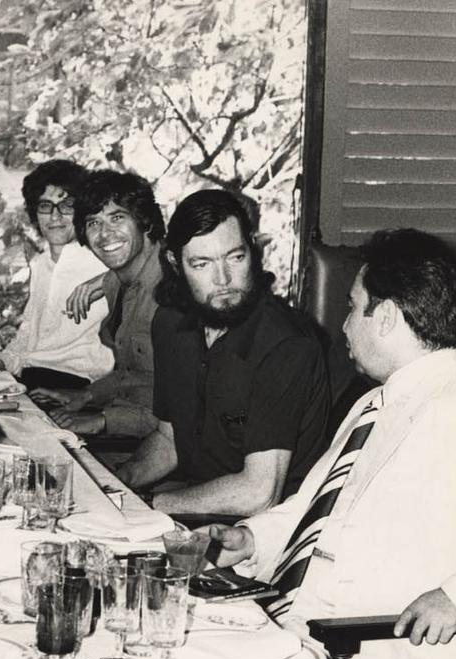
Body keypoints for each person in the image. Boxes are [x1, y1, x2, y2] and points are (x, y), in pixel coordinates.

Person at [209, 228, 456, 659]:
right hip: (305, 633)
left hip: (381, 657)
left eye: (352, 308)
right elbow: (314, 511)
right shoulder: (373, 404)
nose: (343, 327)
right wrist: (251, 538)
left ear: (386, 316)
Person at [116, 189, 328, 515]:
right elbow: (170, 441)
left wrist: (149, 505)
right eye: (202, 264)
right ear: (175, 264)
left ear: (254, 251)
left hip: (263, 534)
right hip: (195, 511)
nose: (223, 279)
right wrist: (119, 482)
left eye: (235, 257)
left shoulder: (286, 344)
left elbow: (260, 493)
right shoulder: (171, 325)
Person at [29, 170, 164, 437]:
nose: (105, 234)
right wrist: (86, 396)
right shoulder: (115, 284)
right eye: (93, 223)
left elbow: (181, 408)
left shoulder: (170, 292)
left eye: (117, 218)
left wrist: (102, 421)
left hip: (154, 444)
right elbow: (133, 375)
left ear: (144, 221)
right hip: (122, 419)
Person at [0, 160, 113, 390]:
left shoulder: (102, 265)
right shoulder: (41, 265)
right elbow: (27, 337)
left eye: (66, 205)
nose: (55, 217)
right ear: (35, 213)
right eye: (45, 206)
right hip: (31, 378)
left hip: (77, 386)